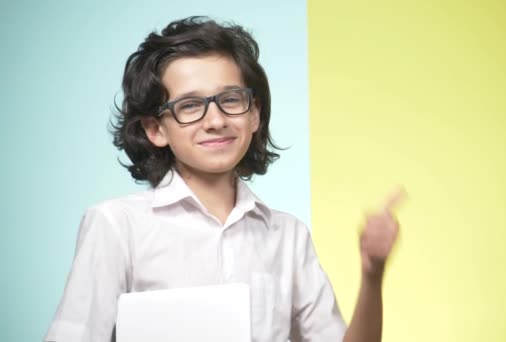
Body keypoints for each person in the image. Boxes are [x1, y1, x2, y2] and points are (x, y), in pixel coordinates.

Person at [44, 16, 402, 342]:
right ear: (155, 129)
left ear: (255, 114)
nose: (216, 120)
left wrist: (373, 274)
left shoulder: (287, 236)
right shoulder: (116, 225)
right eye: (189, 105)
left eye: (231, 99)